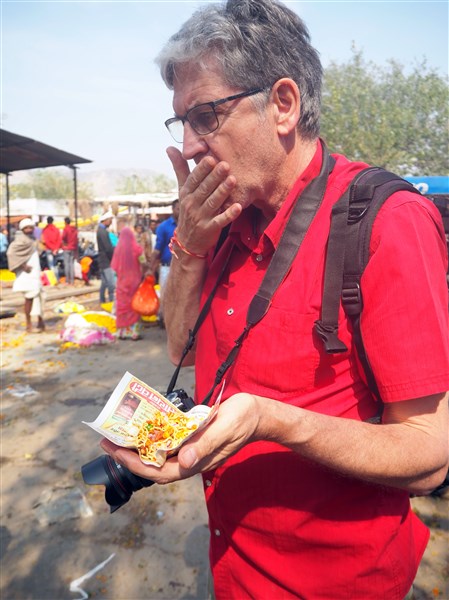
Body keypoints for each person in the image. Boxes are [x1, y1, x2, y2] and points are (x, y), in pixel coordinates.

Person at [100, 2, 449, 599]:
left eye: (205, 116)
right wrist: (189, 244)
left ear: (283, 104)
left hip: (338, 584)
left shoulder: (388, 222)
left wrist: (270, 421)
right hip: (231, 564)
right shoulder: (225, 221)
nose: (190, 146)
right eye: (180, 122)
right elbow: (182, 348)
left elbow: (429, 454)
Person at [7, 218, 45, 332]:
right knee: (29, 298)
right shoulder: (20, 240)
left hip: (35, 272)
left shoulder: (33, 239)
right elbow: (10, 253)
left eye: (31, 227)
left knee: (40, 297)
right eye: (26, 228)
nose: (29, 229)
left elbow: (38, 250)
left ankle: (41, 322)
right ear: (22, 229)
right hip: (27, 274)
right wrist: (23, 266)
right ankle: (29, 324)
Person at [149, 200, 179, 325]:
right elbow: (158, 249)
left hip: (183, 268)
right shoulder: (163, 227)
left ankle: (176, 320)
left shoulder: (187, 225)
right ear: (173, 210)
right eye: (178, 209)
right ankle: (163, 319)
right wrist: (151, 268)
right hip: (167, 267)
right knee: (165, 294)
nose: (180, 211)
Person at [110, 226, 143, 340]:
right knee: (134, 306)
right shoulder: (137, 249)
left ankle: (122, 332)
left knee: (122, 306)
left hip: (122, 282)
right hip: (135, 282)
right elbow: (143, 262)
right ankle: (134, 333)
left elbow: (114, 267)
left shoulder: (118, 250)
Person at [96, 211, 116, 304]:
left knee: (104, 283)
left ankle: (102, 300)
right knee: (111, 284)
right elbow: (108, 248)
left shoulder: (100, 230)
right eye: (110, 220)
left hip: (102, 260)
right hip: (106, 261)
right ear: (106, 220)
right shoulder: (103, 232)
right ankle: (112, 300)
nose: (111, 222)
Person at [41, 216, 61, 281]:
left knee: (51, 265)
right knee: (55, 265)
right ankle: (57, 278)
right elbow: (59, 240)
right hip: (55, 250)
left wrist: (52, 249)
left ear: (47, 221)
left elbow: (46, 241)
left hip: (49, 249)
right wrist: (56, 249)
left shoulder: (45, 230)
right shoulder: (56, 229)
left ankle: (53, 279)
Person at [61, 217, 78, 285]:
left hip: (67, 247)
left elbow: (63, 237)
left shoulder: (66, 229)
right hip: (73, 248)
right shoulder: (74, 229)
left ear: (65, 222)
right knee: (71, 264)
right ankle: (72, 280)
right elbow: (76, 239)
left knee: (67, 264)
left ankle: (67, 280)